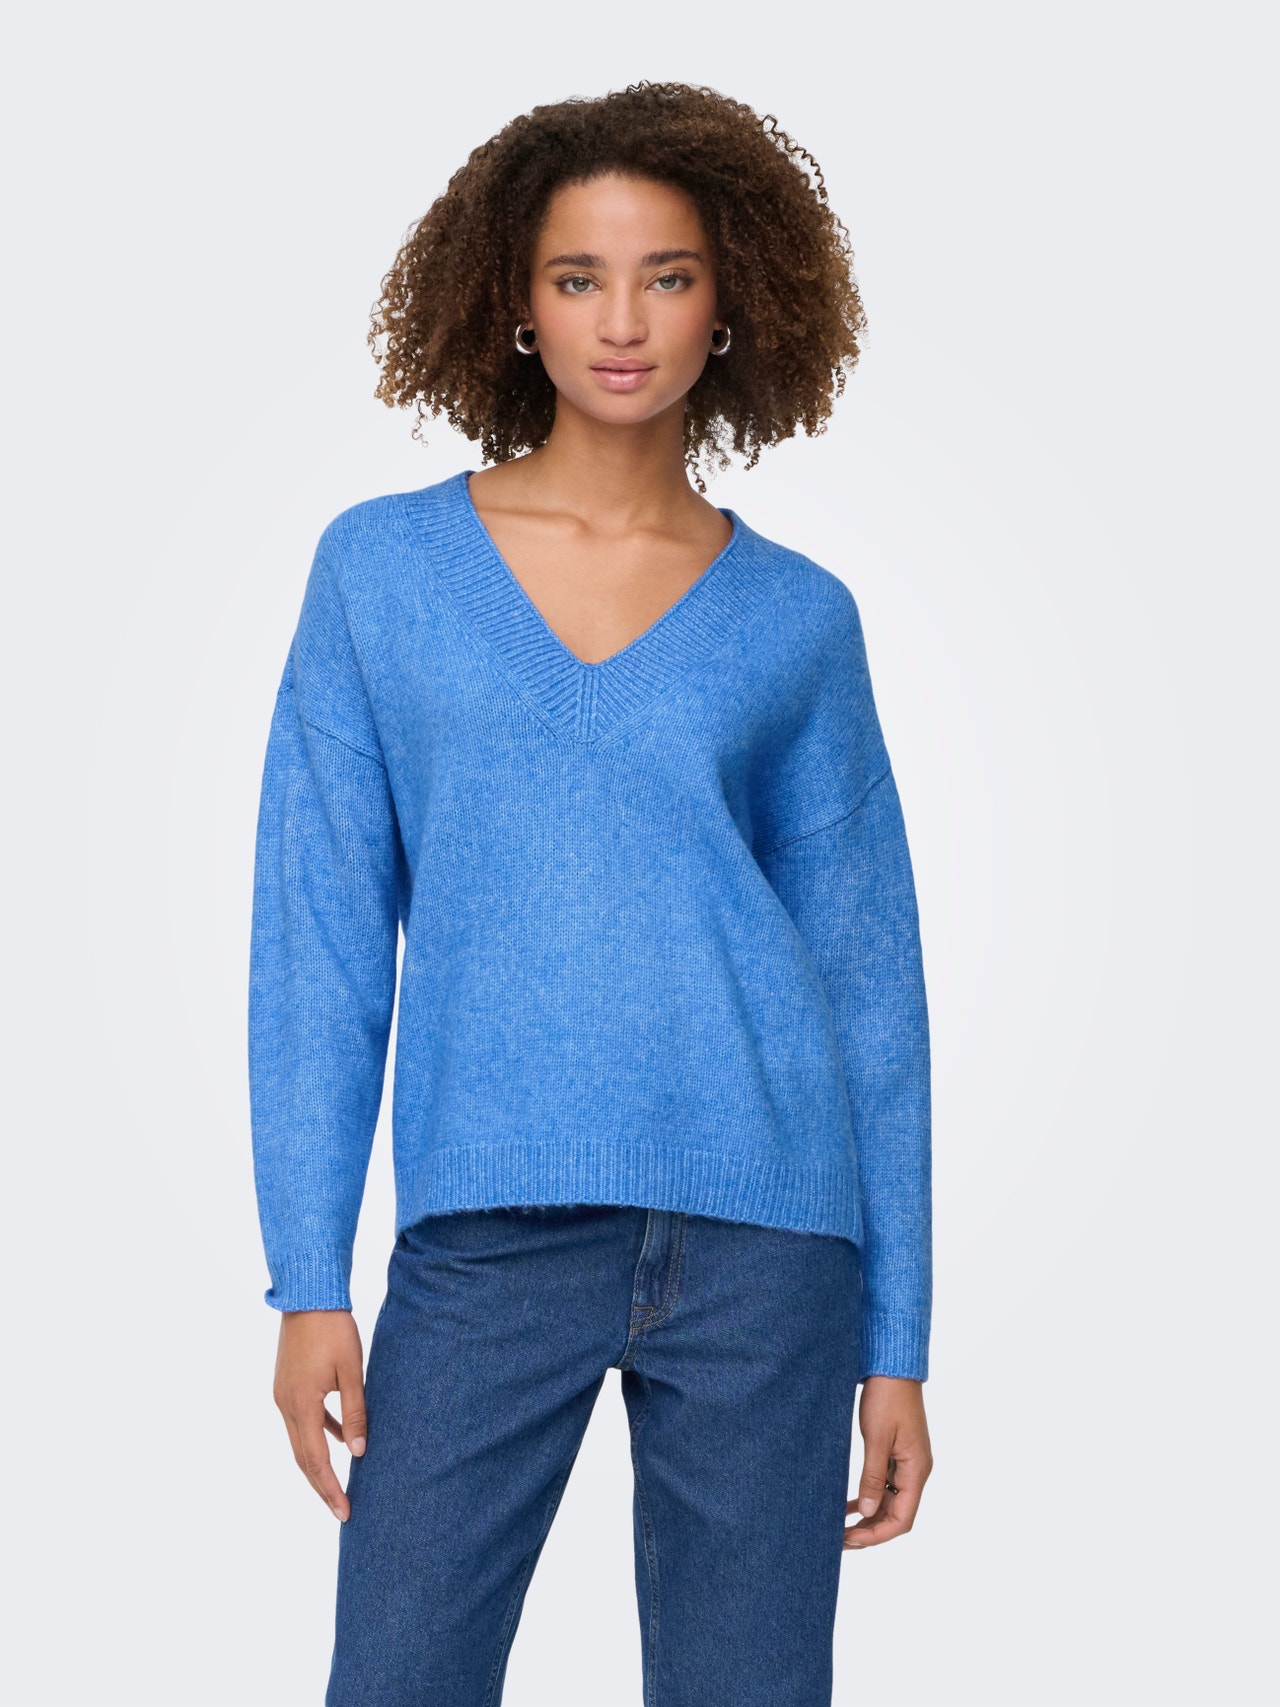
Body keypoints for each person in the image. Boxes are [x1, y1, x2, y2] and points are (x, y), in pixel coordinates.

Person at [249, 80, 933, 1707]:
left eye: (667, 276)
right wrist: (309, 1275)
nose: (622, 322)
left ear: (729, 303)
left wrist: (897, 1339)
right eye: (578, 277)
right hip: (490, 1236)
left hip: (770, 1245)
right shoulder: (382, 573)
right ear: (516, 301)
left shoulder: (799, 620)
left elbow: (870, 987)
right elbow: (319, 937)